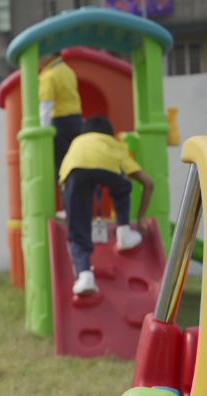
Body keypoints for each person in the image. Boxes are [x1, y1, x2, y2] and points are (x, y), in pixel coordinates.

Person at [60, 116, 155, 295]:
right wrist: (141, 218)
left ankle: (84, 276)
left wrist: (69, 213)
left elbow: (64, 185)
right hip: (109, 169)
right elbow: (148, 183)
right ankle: (124, 232)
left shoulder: (77, 144)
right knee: (123, 186)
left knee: (78, 231)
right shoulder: (113, 144)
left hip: (74, 171)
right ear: (109, 134)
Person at [39, 52, 83, 179]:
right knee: (75, 162)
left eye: (40, 56)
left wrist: (43, 131)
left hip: (60, 122)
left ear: (49, 55)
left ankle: (65, 188)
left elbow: (46, 106)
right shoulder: (68, 70)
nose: (38, 61)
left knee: (62, 165)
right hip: (76, 120)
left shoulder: (49, 75)